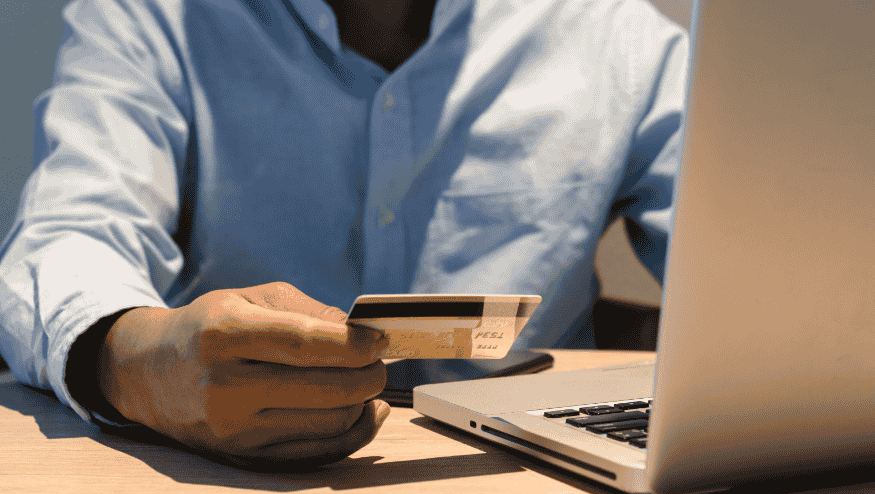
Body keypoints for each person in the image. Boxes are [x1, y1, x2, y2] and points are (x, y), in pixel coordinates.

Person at [0, 0, 687, 469]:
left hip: (541, 487)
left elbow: (759, 261)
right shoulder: (154, 18)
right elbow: (69, 234)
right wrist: (137, 365)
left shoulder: (613, 32)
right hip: (234, 490)